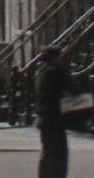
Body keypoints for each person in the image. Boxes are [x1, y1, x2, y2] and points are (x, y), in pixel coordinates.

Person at [34, 45, 78, 178]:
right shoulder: (56, 71)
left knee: (47, 153)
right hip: (55, 118)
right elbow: (73, 90)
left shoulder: (41, 71)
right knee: (59, 154)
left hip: (43, 117)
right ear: (56, 57)